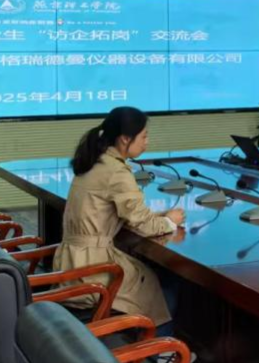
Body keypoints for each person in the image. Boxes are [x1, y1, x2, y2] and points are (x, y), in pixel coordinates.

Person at [60, 106, 185, 329]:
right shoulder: (117, 172)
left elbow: (128, 214)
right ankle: (159, 344)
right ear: (125, 138)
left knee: (151, 277)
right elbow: (141, 223)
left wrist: (159, 216)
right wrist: (169, 222)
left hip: (72, 260)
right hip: (93, 270)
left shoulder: (96, 160)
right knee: (162, 285)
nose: (147, 142)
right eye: (144, 136)